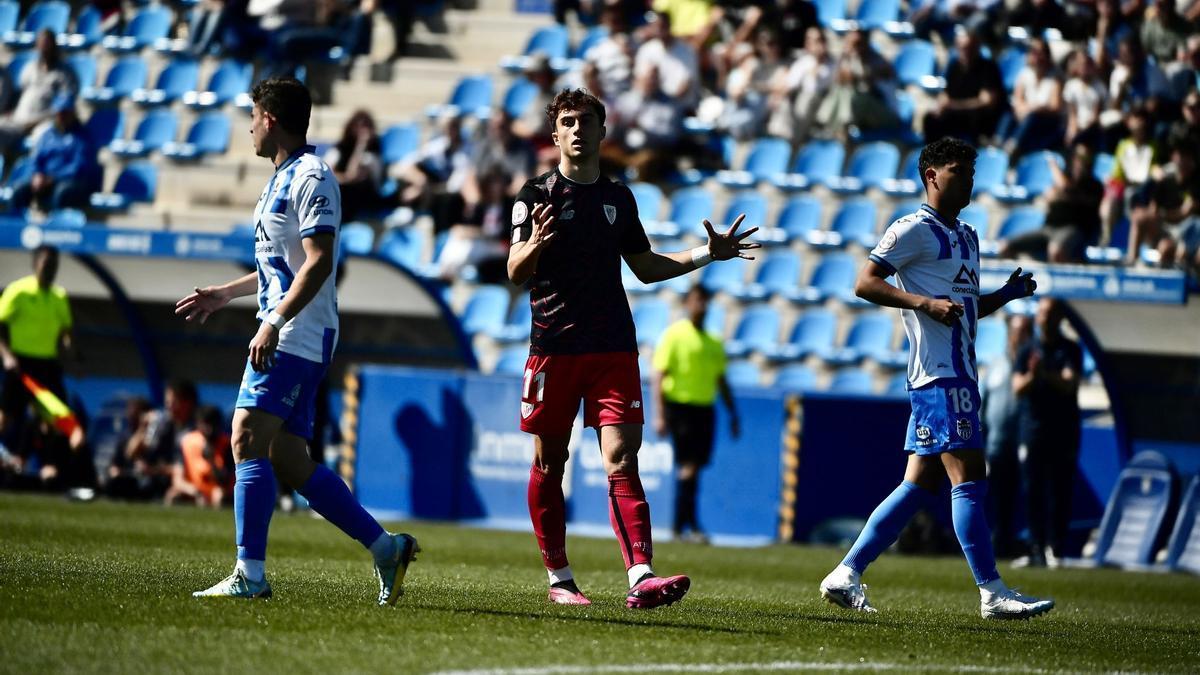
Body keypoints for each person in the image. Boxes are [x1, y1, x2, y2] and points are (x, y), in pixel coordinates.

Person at [508, 88, 758, 608]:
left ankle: (640, 576)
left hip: (612, 349)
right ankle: (560, 578)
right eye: (568, 122)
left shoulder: (619, 199)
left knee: (622, 457)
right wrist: (533, 244)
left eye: (587, 121)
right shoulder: (533, 196)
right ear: (555, 134)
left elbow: (645, 268)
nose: (578, 130)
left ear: (603, 131)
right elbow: (513, 272)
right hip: (552, 349)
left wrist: (704, 255)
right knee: (550, 461)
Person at [175, 77, 418, 603]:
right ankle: (385, 549)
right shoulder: (279, 179)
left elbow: (319, 263)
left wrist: (272, 322)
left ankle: (250, 575)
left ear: (272, 120)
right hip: (293, 328)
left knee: (244, 436)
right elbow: (277, 267)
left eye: (254, 117)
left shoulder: (311, 177)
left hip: (296, 333)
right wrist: (227, 293)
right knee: (287, 458)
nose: (249, 128)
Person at [818, 137, 1055, 620]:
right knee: (969, 477)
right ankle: (992, 591)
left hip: (958, 372)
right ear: (931, 176)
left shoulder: (967, 235)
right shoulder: (912, 229)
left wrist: (1005, 295)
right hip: (939, 374)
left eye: (971, 172)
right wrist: (922, 303)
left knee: (919, 483)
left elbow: (964, 308)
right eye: (958, 172)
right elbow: (864, 283)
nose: (968, 180)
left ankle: (846, 573)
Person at [651, 285, 739, 543]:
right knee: (689, 466)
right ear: (687, 304)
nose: (701, 305)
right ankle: (686, 525)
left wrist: (733, 413)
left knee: (696, 466)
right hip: (679, 407)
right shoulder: (674, 336)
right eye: (696, 300)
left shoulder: (713, 340)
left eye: (705, 300)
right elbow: (659, 376)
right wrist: (659, 414)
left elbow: (721, 379)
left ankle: (683, 526)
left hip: (705, 408)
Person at [1012, 298, 1082, 567]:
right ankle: (1036, 548)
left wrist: (1044, 374)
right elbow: (1017, 387)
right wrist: (1033, 376)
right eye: (1041, 313)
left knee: (1060, 490)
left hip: (1063, 430)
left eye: (1049, 314)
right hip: (1033, 431)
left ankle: (1056, 547)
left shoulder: (1070, 349)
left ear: (1059, 318)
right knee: (1033, 491)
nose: (1044, 319)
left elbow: (1069, 384)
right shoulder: (1028, 349)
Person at [0, 246, 73, 447]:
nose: (50, 270)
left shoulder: (59, 296)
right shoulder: (18, 291)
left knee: (60, 417)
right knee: (6, 417)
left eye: (54, 266)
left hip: (47, 364)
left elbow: (65, 331)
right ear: (35, 264)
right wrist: (6, 356)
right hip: (20, 364)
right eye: (46, 265)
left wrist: (70, 349)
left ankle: (52, 465)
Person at [980, 314, 1032, 559]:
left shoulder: (1034, 365)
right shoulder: (996, 365)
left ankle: (1025, 545)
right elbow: (982, 405)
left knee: (1025, 498)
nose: (1018, 337)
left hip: (1025, 445)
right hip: (997, 445)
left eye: (1024, 332)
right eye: (1015, 331)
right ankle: (998, 545)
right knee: (999, 498)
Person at [999, 146, 1103, 263]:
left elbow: (1066, 189)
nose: (1080, 162)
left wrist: (1054, 169)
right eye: (1077, 158)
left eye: (1084, 159)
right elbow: (1049, 197)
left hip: (1072, 229)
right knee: (1005, 246)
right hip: (1048, 228)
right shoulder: (1065, 178)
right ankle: (1017, 277)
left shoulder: (1094, 185)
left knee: (1055, 251)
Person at [9, 95, 104, 214]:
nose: (62, 117)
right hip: (45, 181)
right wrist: (37, 175)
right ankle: (16, 225)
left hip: (72, 182)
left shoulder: (83, 137)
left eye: (65, 113)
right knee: (19, 189)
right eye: (59, 113)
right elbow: (36, 160)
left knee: (62, 192)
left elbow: (80, 167)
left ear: (73, 113)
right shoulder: (47, 135)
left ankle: (56, 228)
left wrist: (53, 178)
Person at [922, 28, 1006, 145]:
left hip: (978, 118)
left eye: (969, 48)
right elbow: (946, 93)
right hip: (955, 114)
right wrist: (941, 106)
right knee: (931, 118)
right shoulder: (954, 66)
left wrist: (955, 106)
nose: (966, 52)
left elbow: (987, 101)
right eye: (962, 48)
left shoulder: (988, 68)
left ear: (977, 47)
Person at [0, 29, 78, 152]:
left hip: (44, 122)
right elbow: (20, 94)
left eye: (47, 44)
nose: (44, 49)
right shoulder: (29, 68)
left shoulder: (65, 73)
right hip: (19, 120)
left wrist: (38, 120)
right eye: (41, 44)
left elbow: (65, 106)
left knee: (44, 140)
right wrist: (12, 111)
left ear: (54, 46)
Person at [166, 405, 234, 507]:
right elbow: (178, 480)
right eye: (206, 425)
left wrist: (211, 461)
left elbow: (224, 481)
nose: (210, 430)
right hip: (194, 489)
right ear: (198, 424)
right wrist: (195, 492)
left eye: (213, 425)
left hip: (215, 490)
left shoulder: (227, 444)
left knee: (219, 495)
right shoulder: (187, 441)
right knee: (173, 495)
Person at [324, 110, 385, 222]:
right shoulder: (340, 148)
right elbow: (326, 173)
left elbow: (352, 174)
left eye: (365, 127)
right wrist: (341, 178)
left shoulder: (371, 154)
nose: (361, 131)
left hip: (363, 195)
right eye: (358, 126)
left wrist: (360, 145)